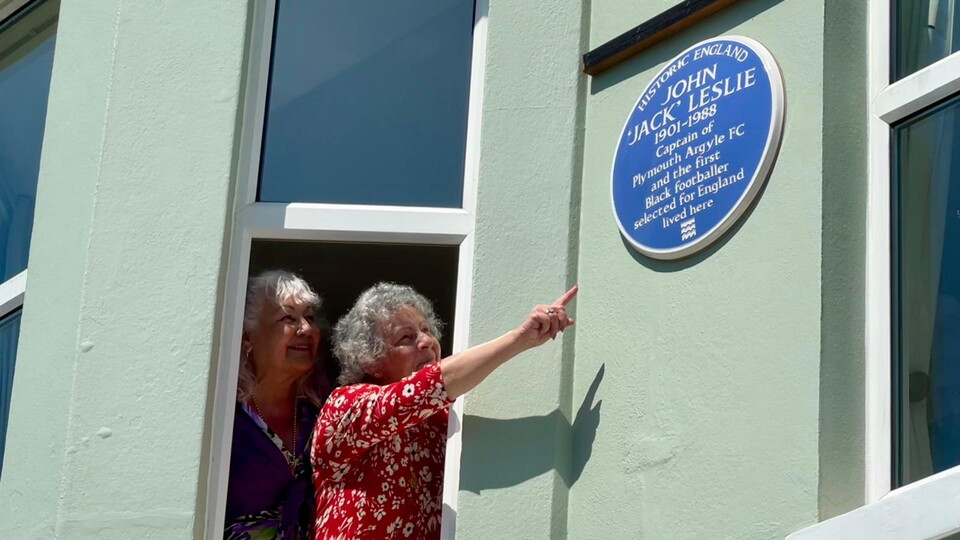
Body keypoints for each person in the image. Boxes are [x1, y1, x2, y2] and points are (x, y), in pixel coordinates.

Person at [312, 282, 577, 540]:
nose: (426, 341)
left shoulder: (444, 418)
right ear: (371, 361)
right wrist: (520, 338)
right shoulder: (346, 404)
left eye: (426, 329)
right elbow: (429, 386)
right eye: (406, 337)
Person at [225, 270, 330, 539]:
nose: (306, 329)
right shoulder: (225, 420)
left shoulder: (323, 417)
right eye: (288, 318)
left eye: (309, 317)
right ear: (248, 336)